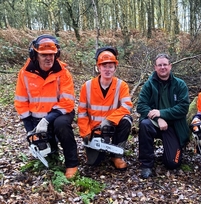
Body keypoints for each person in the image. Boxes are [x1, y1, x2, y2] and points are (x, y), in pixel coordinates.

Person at [14, 34, 79, 179]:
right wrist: (30, 129)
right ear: (35, 55)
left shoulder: (63, 73)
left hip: (59, 114)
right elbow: (21, 102)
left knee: (61, 125)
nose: (48, 58)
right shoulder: (25, 74)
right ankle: (52, 153)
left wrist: (48, 119)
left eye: (51, 54)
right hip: (36, 117)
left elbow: (67, 102)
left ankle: (72, 163)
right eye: (44, 55)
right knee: (46, 149)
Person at [77, 46, 133, 170]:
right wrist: (85, 133)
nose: (107, 69)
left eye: (110, 66)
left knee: (126, 120)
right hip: (94, 130)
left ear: (115, 68)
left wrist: (109, 120)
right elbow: (81, 113)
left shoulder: (121, 85)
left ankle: (116, 155)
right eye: (104, 66)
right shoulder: (87, 86)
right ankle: (93, 149)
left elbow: (127, 106)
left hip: (112, 126)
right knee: (94, 162)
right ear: (99, 67)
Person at [137, 53, 190, 179]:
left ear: (170, 66)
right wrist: (158, 118)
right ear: (155, 67)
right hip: (155, 124)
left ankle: (169, 152)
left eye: (165, 64)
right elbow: (141, 106)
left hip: (174, 125)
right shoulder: (149, 85)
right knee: (145, 124)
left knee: (172, 163)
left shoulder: (180, 84)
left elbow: (183, 108)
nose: (162, 67)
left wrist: (162, 113)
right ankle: (146, 164)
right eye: (159, 65)